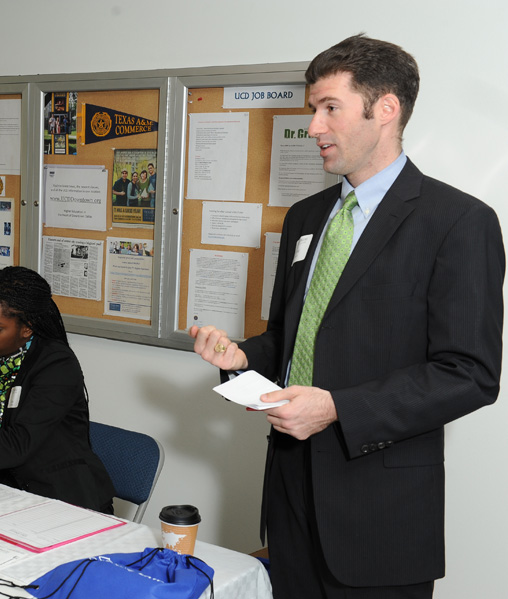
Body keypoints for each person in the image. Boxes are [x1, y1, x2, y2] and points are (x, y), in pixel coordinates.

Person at [190, 35, 503, 599]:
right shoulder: (305, 218)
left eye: (329, 107)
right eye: (313, 108)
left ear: (386, 109)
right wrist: (242, 357)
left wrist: (336, 408)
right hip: (288, 497)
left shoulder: (458, 222)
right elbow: (291, 336)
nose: (313, 126)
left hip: (380, 519)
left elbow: (469, 374)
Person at [0, 266, 115, 513]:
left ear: (27, 327)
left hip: (64, 499)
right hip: (9, 491)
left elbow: (17, 443)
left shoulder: (57, 364)